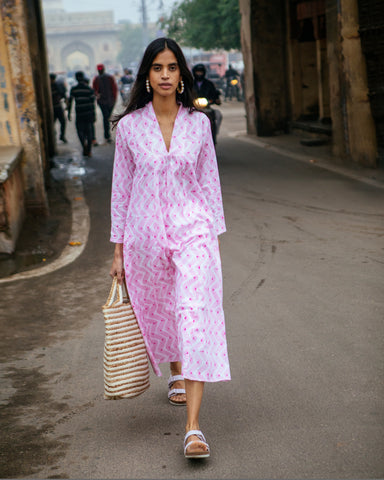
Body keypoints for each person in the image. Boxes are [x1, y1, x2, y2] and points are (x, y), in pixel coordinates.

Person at [109, 37, 230, 459]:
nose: (164, 75)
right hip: (144, 238)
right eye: (157, 67)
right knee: (164, 307)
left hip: (193, 232)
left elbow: (210, 181)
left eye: (172, 67)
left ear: (181, 75)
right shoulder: (129, 128)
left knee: (193, 314)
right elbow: (121, 191)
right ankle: (176, 372)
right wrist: (118, 250)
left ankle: (193, 430)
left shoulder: (199, 125)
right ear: (147, 74)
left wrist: (213, 239)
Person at [192, 63, 222, 144]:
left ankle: (214, 132)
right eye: (197, 72)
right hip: (194, 109)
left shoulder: (209, 84)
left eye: (201, 72)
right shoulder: (190, 84)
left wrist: (215, 99)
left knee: (218, 115)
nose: (199, 74)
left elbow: (215, 95)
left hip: (207, 108)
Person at [68, 71, 95, 157]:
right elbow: (92, 103)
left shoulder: (74, 89)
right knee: (89, 132)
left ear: (76, 78)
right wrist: (94, 115)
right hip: (88, 113)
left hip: (79, 114)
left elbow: (70, 102)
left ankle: (84, 147)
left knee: (80, 131)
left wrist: (69, 113)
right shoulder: (89, 89)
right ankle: (89, 151)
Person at [92, 64, 117, 144]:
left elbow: (95, 90)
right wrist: (114, 99)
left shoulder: (97, 79)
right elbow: (114, 89)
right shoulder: (108, 78)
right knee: (106, 117)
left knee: (106, 117)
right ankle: (107, 136)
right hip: (108, 101)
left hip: (104, 101)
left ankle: (107, 135)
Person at [49, 73, 68, 143]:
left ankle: (62, 136)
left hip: (58, 107)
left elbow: (63, 95)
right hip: (53, 108)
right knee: (52, 123)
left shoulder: (57, 86)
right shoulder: (49, 87)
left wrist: (66, 104)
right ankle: (55, 135)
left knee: (63, 122)